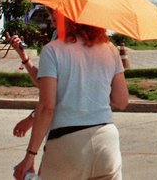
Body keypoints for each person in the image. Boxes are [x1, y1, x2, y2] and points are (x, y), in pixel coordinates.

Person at [13, 12, 129, 180]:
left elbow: (47, 107)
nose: (52, 21)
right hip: (106, 139)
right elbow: (121, 101)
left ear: (66, 18)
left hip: (68, 141)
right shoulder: (110, 49)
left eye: (55, 16)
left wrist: (30, 155)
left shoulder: (52, 50)